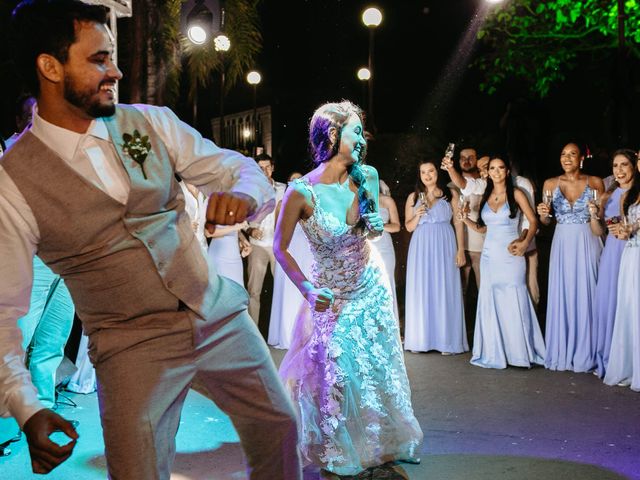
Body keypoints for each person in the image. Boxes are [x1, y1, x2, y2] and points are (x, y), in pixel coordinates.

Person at [1, 2, 300, 478]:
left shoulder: (149, 121)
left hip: (217, 316)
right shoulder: (12, 182)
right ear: (50, 67)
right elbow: (4, 313)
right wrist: (25, 405)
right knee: (136, 471)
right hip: (130, 347)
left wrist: (245, 195)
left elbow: (233, 166)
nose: (115, 71)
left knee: (281, 426)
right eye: (99, 59)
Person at [274, 101, 422, 477]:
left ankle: (379, 446)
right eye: (356, 131)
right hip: (330, 293)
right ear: (333, 134)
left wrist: (373, 223)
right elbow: (280, 247)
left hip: (370, 284)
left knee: (375, 365)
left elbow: (370, 231)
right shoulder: (301, 192)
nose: (362, 139)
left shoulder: (366, 176)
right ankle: (338, 450)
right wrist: (308, 290)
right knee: (338, 370)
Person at [460, 156, 545, 369]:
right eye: (492, 168)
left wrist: (525, 243)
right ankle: (496, 352)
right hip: (489, 255)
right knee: (492, 299)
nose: (496, 172)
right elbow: (484, 228)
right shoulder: (486, 195)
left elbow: (533, 221)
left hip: (512, 253)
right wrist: (465, 220)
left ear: (507, 171)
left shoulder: (516, 193)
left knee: (514, 295)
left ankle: (520, 353)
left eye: (500, 168)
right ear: (487, 172)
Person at [537, 142, 604, 373]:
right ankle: (563, 350)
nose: (567, 158)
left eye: (572, 154)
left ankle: (588, 351)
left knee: (589, 292)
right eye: (563, 154)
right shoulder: (550, 183)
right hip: (562, 242)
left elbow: (601, 223)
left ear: (581, 159)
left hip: (588, 240)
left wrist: (596, 214)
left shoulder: (595, 182)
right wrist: (544, 216)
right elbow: (546, 222)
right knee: (563, 292)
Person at [404, 160, 467, 354]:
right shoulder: (413, 197)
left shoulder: (451, 195)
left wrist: (461, 249)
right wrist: (418, 215)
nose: (428, 175)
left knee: (444, 287)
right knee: (422, 288)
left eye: (430, 171)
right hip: (421, 245)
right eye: (423, 172)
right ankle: (420, 340)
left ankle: (446, 340)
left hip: (445, 243)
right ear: (419, 175)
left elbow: (458, 224)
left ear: (437, 173)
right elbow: (408, 226)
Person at [593, 149, 637, 378]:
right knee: (608, 303)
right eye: (615, 166)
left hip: (631, 251)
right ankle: (610, 357)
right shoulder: (607, 194)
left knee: (629, 304)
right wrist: (593, 215)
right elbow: (598, 231)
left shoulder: (637, 193)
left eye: (624, 165)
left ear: (634, 167)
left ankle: (628, 360)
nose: (619, 170)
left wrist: (628, 229)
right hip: (611, 251)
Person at [603, 152, 640, 391]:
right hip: (631, 255)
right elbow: (621, 226)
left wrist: (634, 226)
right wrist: (620, 230)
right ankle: (630, 365)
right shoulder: (629, 194)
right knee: (630, 308)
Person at [268, 171, 313, 349]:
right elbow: (276, 231)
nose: (295, 182)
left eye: (298, 179)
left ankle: (304, 334)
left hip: (304, 250)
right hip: (288, 248)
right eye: (292, 179)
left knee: (302, 288)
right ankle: (286, 334)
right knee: (287, 288)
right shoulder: (281, 204)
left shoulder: (309, 203)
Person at [245, 152, 286, 323]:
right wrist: (250, 231)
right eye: (260, 168)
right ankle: (253, 332)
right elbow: (241, 219)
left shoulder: (283, 189)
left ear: (273, 168)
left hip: (277, 246)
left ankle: (282, 330)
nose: (264, 171)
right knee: (254, 291)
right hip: (258, 245)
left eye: (267, 167)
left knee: (283, 289)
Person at [370, 179, 401, 321]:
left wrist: (380, 226)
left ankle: (390, 324)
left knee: (386, 283)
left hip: (384, 247)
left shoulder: (387, 201)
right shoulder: (359, 201)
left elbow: (396, 226)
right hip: (366, 247)